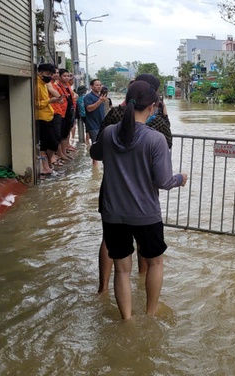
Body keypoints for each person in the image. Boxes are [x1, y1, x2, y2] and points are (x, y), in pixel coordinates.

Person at [90, 81, 187, 320]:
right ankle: (151, 314)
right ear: (152, 107)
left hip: (113, 214)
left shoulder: (111, 132)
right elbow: (164, 181)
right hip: (145, 214)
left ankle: (127, 320)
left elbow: (96, 154)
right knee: (155, 264)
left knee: (122, 270)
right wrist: (181, 178)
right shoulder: (156, 139)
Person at [96, 73, 173, 294]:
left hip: (113, 189)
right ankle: (142, 280)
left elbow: (98, 148)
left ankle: (102, 288)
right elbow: (167, 145)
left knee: (111, 245)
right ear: (153, 101)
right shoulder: (156, 121)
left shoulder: (115, 115)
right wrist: (165, 117)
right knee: (149, 250)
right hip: (142, 192)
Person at [35, 63, 63, 176]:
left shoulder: (44, 84)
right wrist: (50, 101)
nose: (49, 76)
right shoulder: (36, 85)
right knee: (52, 144)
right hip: (42, 118)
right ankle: (46, 165)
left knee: (46, 145)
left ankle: (46, 167)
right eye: (47, 74)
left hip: (48, 116)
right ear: (40, 72)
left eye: (50, 74)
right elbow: (36, 104)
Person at [84, 79, 107, 166]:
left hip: (102, 124)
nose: (99, 87)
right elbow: (89, 109)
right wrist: (100, 101)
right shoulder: (88, 97)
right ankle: (95, 166)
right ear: (91, 86)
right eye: (97, 85)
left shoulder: (101, 96)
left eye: (100, 85)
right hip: (93, 125)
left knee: (104, 144)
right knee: (95, 145)